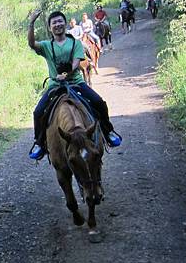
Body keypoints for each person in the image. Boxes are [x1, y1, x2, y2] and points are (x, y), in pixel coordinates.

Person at [27, 10, 122, 160]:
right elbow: (32, 44)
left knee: (99, 102)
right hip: (55, 86)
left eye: (60, 21)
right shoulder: (46, 46)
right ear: (50, 27)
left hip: (76, 83)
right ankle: (39, 143)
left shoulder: (75, 43)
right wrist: (31, 23)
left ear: (65, 24)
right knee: (38, 112)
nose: (57, 24)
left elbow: (76, 62)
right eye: (54, 23)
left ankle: (108, 131)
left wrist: (67, 74)